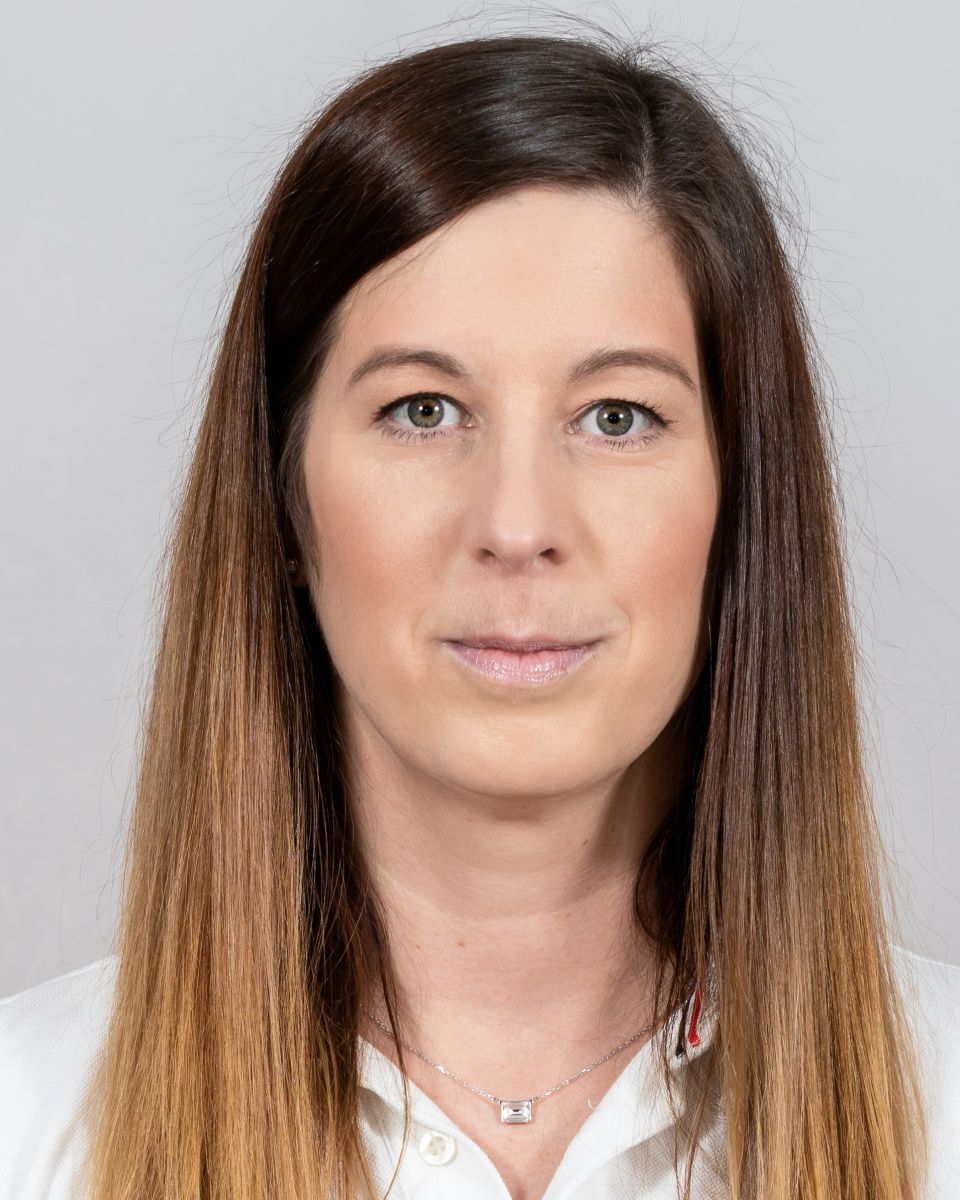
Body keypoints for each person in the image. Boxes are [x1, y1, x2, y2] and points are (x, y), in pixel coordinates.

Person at [1, 22, 958, 1200]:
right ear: (283, 499)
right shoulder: (23, 1123)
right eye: (422, 410)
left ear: (741, 504)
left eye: (616, 417)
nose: (516, 524)